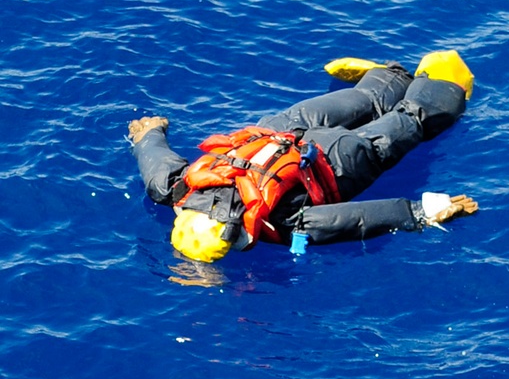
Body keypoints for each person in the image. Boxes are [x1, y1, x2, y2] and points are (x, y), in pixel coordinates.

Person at [128, 50, 478, 263]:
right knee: (364, 102)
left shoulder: (280, 223)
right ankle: (389, 75)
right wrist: (148, 133)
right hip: (281, 129)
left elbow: (355, 219)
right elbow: (154, 161)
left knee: (408, 123)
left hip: (335, 160)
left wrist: (421, 213)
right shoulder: (177, 188)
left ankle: (445, 83)